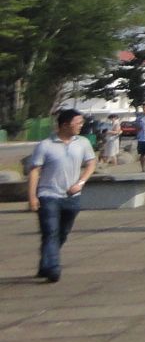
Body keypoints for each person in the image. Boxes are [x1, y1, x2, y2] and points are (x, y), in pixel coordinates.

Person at [26, 108, 97, 282]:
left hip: (72, 197)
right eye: (77, 123)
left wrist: (80, 183)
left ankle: (46, 262)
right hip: (48, 195)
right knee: (51, 231)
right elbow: (35, 171)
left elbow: (91, 164)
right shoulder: (45, 145)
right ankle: (53, 268)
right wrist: (32, 197)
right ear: (65, 125)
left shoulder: (82, 143)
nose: (81, 126)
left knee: (62, 233)